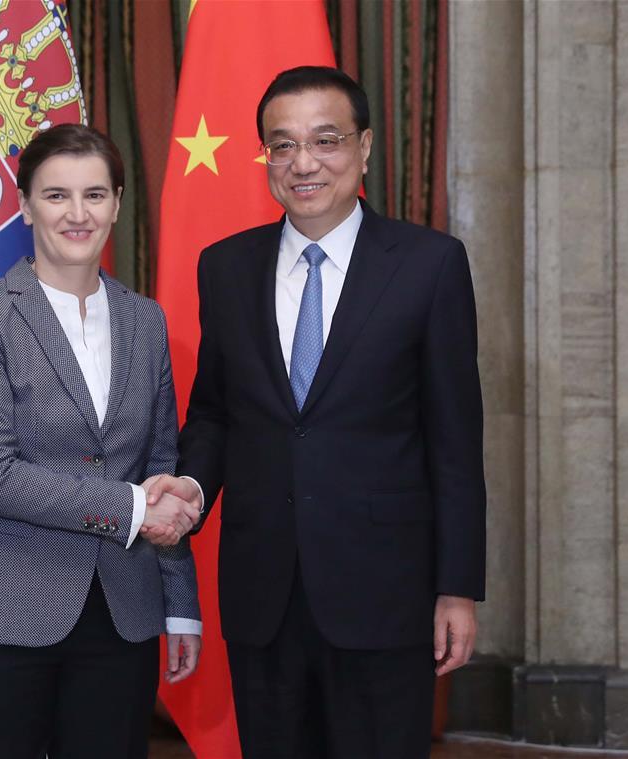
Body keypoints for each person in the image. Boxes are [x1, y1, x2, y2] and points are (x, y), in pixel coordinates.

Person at [144, 66, 486, 758]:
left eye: (326, 141)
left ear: (364, 148)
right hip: (262, 592)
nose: (304, 163)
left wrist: (457, 588)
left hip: (385, 592)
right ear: (266, 157)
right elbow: (215, 412)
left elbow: (455, 440)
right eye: (283, 144)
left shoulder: (430, 265)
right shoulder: (226, 268)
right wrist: (193, 485)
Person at [0, 123, 203, 759]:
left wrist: (180, 603)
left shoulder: (146, 320)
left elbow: (161, 463)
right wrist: (132, 508)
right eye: (56, 195)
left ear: (117, 204)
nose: (77, 214)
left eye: (94, 195)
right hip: (2, 612)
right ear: (26, 205)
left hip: (123, 616)